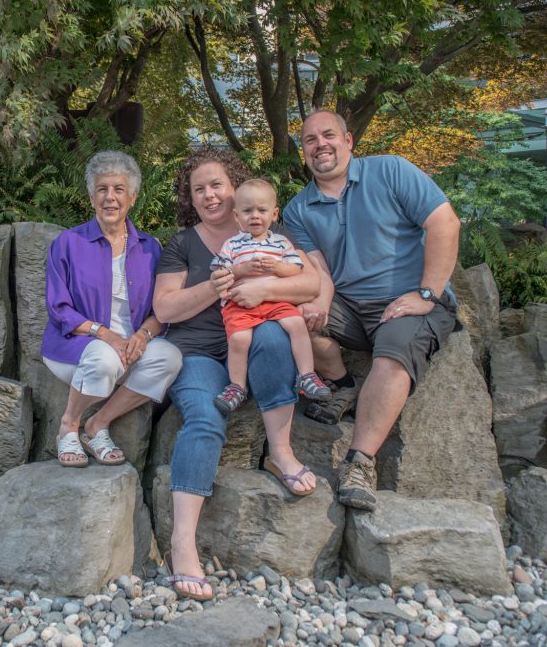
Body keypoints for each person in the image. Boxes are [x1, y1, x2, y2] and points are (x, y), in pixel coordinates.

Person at [152, 148, 319, 601]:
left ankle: (280, 453)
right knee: (206, 416)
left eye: (217, 185)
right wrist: (218, 283)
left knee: (273, 337)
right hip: (200, 354)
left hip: (253, 343)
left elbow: (310, 283)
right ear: (190, 196)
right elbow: (164, 307)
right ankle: (182, 542)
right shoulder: (182, 244)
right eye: (198, 188)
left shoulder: (268, 232)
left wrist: (265, 285)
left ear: (236, 188)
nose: (209, 195)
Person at [284, 109, 460, 512]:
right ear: (304, 152)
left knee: (394, 352)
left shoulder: (392, 171)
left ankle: (359, 462)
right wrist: (318, 306)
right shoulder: (298, 208)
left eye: (328, 135)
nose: (319, 145)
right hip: (349, 305)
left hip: (409, 299)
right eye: (310, 140)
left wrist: (427, 294)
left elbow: (445, 224)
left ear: (349, 141)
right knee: (288, 315)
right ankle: (344, 387)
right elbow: (318, 270)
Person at [42, 151, 183, 467]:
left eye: (119, 189)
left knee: (170, 358)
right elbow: (58, 308)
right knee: (104, 356)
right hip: (75, 348)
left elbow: (162, 309)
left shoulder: (150, 248)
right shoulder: (68, 243)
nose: (110, 197)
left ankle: (97, 425)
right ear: (91, 197)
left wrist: (144, 336)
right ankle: (69, 426)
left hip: (129, 350)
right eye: (102, 189)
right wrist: (105, 335)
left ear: (132, 197)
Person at [211, 179, 332, 414]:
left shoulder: (281, 243)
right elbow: (219, 271)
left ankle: (307, 375)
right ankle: (237, 386)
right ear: (237, 217)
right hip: (240, 303)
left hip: (275, 301)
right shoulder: (232, 244)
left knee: (296, 324)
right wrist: (241, 270)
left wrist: (278, 267)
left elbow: (296, 269)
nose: (255, 216)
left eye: (262, 210)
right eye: (247, 211)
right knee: (239, 340)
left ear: (274, 214)